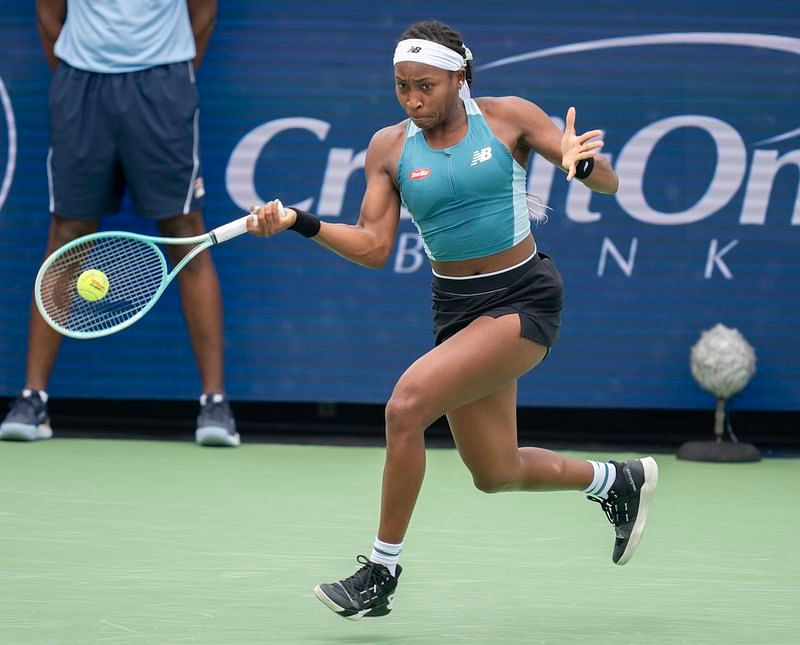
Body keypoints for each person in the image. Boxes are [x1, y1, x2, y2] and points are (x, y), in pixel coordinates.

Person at [249, 20, 658, 619]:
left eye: (426, 87)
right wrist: (300, 223)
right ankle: (615, 482)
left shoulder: (510, 117)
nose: (413, 100)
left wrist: (580, 165)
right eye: (402, 87)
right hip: (457, 308)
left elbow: (611, 183)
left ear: (459, 77)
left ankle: (380, 573)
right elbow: (372, 246)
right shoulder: (388, 149)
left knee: (406, 406)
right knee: (495, 471)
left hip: (523, 298)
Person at [0, 0, 239, 447]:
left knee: (187, 234)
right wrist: (83, 70)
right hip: (80, 84)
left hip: (164, 83)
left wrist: (168, 77)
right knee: (67, 235)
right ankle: (33, 400)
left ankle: (214, 402)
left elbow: (202, 14)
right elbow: (49, 16)